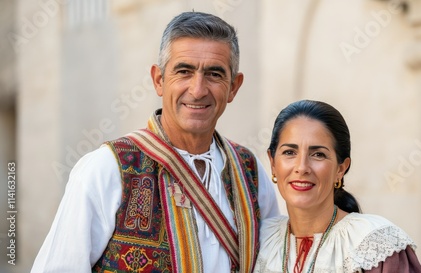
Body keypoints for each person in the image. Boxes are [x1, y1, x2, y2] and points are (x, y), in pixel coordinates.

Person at [31, 11, 280, 273]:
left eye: (214, 74)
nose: (197, 90)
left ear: (233, 87)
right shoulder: (106, 169)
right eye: (184, 71)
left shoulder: (250, 172)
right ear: (159, 80)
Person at [253, 100, 421, 273]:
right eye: (290, 152)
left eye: (318, 154)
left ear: (341, 169)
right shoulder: (258, 241)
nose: (302, 167)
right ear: (273, 162)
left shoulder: (375, 244)